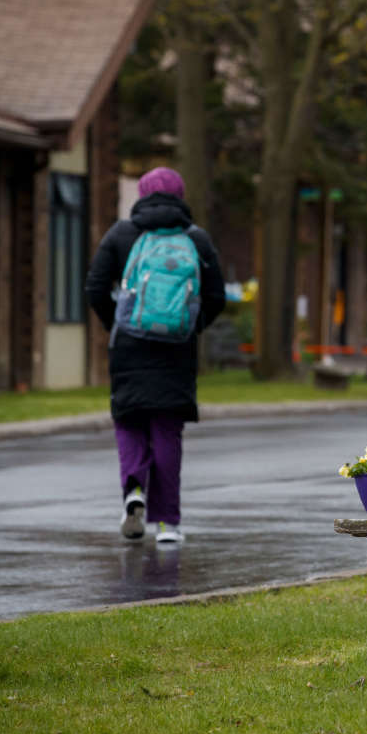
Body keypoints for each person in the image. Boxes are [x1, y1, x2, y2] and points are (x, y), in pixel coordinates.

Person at [85, 167, 226, 544]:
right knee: (166, 431)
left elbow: (96, 286)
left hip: (128, 348)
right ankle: (167, 523)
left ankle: (134, 491)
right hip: (177, 351)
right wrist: (190, 327)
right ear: (180, 195)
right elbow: (216, 297)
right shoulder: (195, 239)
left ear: (143, 194)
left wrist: (115, 325)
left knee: (130, 422)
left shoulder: (121, 233)